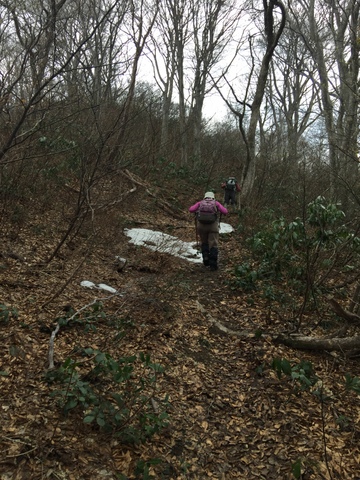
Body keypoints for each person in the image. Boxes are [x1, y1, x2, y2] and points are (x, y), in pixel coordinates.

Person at [189, 192, 228, 271]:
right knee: (213, 244)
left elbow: (191, 210)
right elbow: (225, 212)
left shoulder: (200, 203)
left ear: (205, 197)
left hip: (201, 226)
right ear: (213, 197)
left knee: (204, 242)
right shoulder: (216, 203)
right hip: (213, 226)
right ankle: (213, 265)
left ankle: (205, 259)